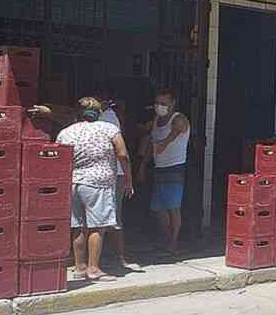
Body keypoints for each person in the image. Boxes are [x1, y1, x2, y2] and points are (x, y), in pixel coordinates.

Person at [56, 97, 130, 281]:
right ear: (99, 112)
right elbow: (122, 154)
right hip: (99, 183)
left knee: (78, 226)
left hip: (73, 182)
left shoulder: (66, 132)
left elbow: (59, 157)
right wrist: (128, 178)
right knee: (97, 226)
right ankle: (94, 268)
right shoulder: (109, 129)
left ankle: (80, 267)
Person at [138, 90, 190, 258]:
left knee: (173, 208)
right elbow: (151, 146)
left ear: (172, 103)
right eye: (157, 103)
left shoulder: (179, 119)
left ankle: (173, 244)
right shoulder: (156, 121)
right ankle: (166, 240)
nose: (159, 106)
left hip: (175, 168)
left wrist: (160, 145)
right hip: (159, 168)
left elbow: (170, 138)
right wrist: (143, 167)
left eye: (163, 103)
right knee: (160, 209)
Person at [99, 96, 133, 268]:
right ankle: (114, 257)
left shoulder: (108, 117)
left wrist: (127, 178)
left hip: (112, 175)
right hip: (110, 174)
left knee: (109, 217)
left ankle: (118, 257)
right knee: (109, 217)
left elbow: (122, 154)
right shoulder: (108, 117)